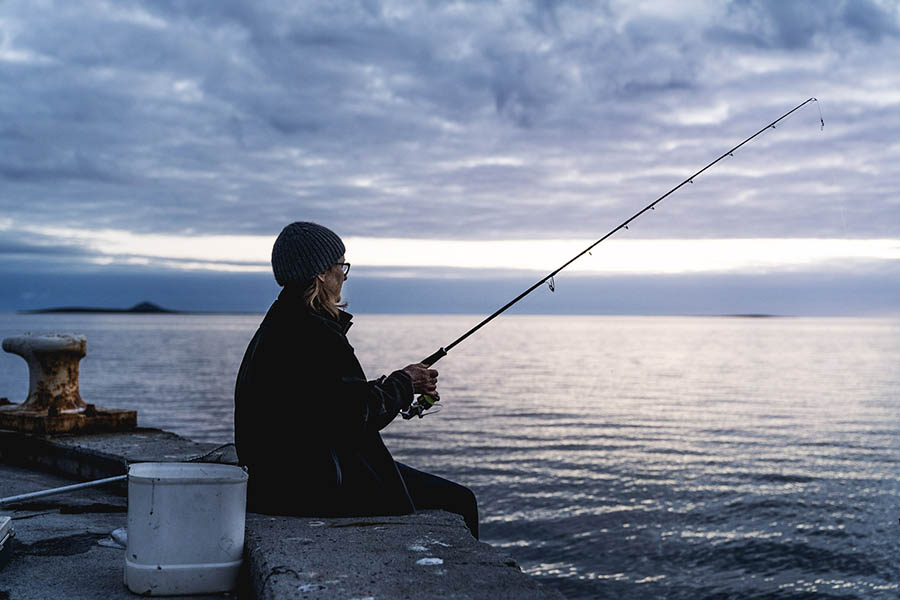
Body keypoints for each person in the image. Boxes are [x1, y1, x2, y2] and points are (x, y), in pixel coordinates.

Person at [234, 221, 478, 538]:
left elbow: (326, 400)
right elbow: (353, 415)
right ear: (321, 272)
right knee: (460, 501)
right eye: (341, 265)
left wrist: (397, 381)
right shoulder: (313, 332)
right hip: (314, 485)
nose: (344, 275)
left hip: (283, 479)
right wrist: (406, 384)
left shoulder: (283, 322)